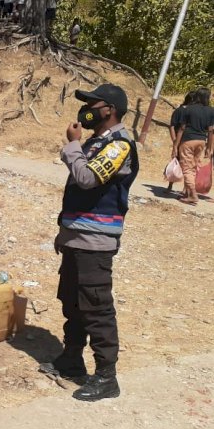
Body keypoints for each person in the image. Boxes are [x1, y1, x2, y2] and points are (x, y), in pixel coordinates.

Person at [43, 84, 139, 402]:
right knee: (72, 302)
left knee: (96, 307)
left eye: (91, 104)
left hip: (96, 241)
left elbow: (87, 179)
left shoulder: (119, 143)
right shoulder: (97, 141)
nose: (85, 109)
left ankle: (106, 377)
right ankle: (72, 360)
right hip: (77, 237)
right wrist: (64, 232)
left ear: (109, 109)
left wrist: (72, 145)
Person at [173, 87, 214, 205]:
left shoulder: (188, 109)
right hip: (201, 141)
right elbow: (211, 131)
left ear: (197, 96)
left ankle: (193, 194)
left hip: (188, 140)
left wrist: (176, 144)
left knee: (186, 168)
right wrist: (209, 147)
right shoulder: (211, 111)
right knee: (194, 166)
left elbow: (181, 128)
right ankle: (188, 192)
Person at [167, 91, 194, 192]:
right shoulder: (180, 111)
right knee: (177, 163)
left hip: (187, 141)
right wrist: (175, 141)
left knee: (184, 164)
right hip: (181, 140)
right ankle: (171, 185)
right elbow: (172, 126)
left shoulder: (192, 112)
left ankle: (184, 188)